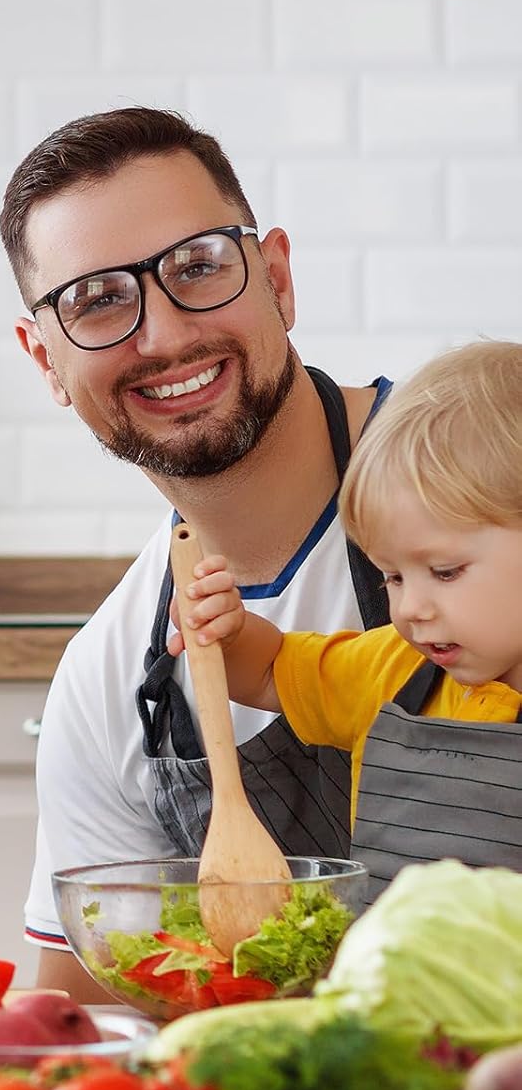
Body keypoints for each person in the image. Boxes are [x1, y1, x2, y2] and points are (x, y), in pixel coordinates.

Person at [0, 107, 395, 999]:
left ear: (279, 279)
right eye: (97, 300)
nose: (166, 335)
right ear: (45, 362)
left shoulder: (492, 477)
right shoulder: (107, 678)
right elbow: (90, 1023)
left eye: (198, 267)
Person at [173, 341, 522, 888]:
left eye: (446, 572)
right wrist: (225, 631)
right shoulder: (392, 668)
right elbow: (267, 672)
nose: (410, 609)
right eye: (393, 577)